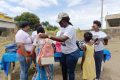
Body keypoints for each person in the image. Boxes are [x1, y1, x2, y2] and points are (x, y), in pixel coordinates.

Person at [39, 12, 80, 80]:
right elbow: (57, 38)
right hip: (64, 53)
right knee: (64, 70)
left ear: (64, 21)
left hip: (72, 53)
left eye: (60, 22)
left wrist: (48, 36)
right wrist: (50, 42)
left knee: (70, 72)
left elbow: (62, 39)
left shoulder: (70, 28)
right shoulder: (62, 28)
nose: (59, 24)